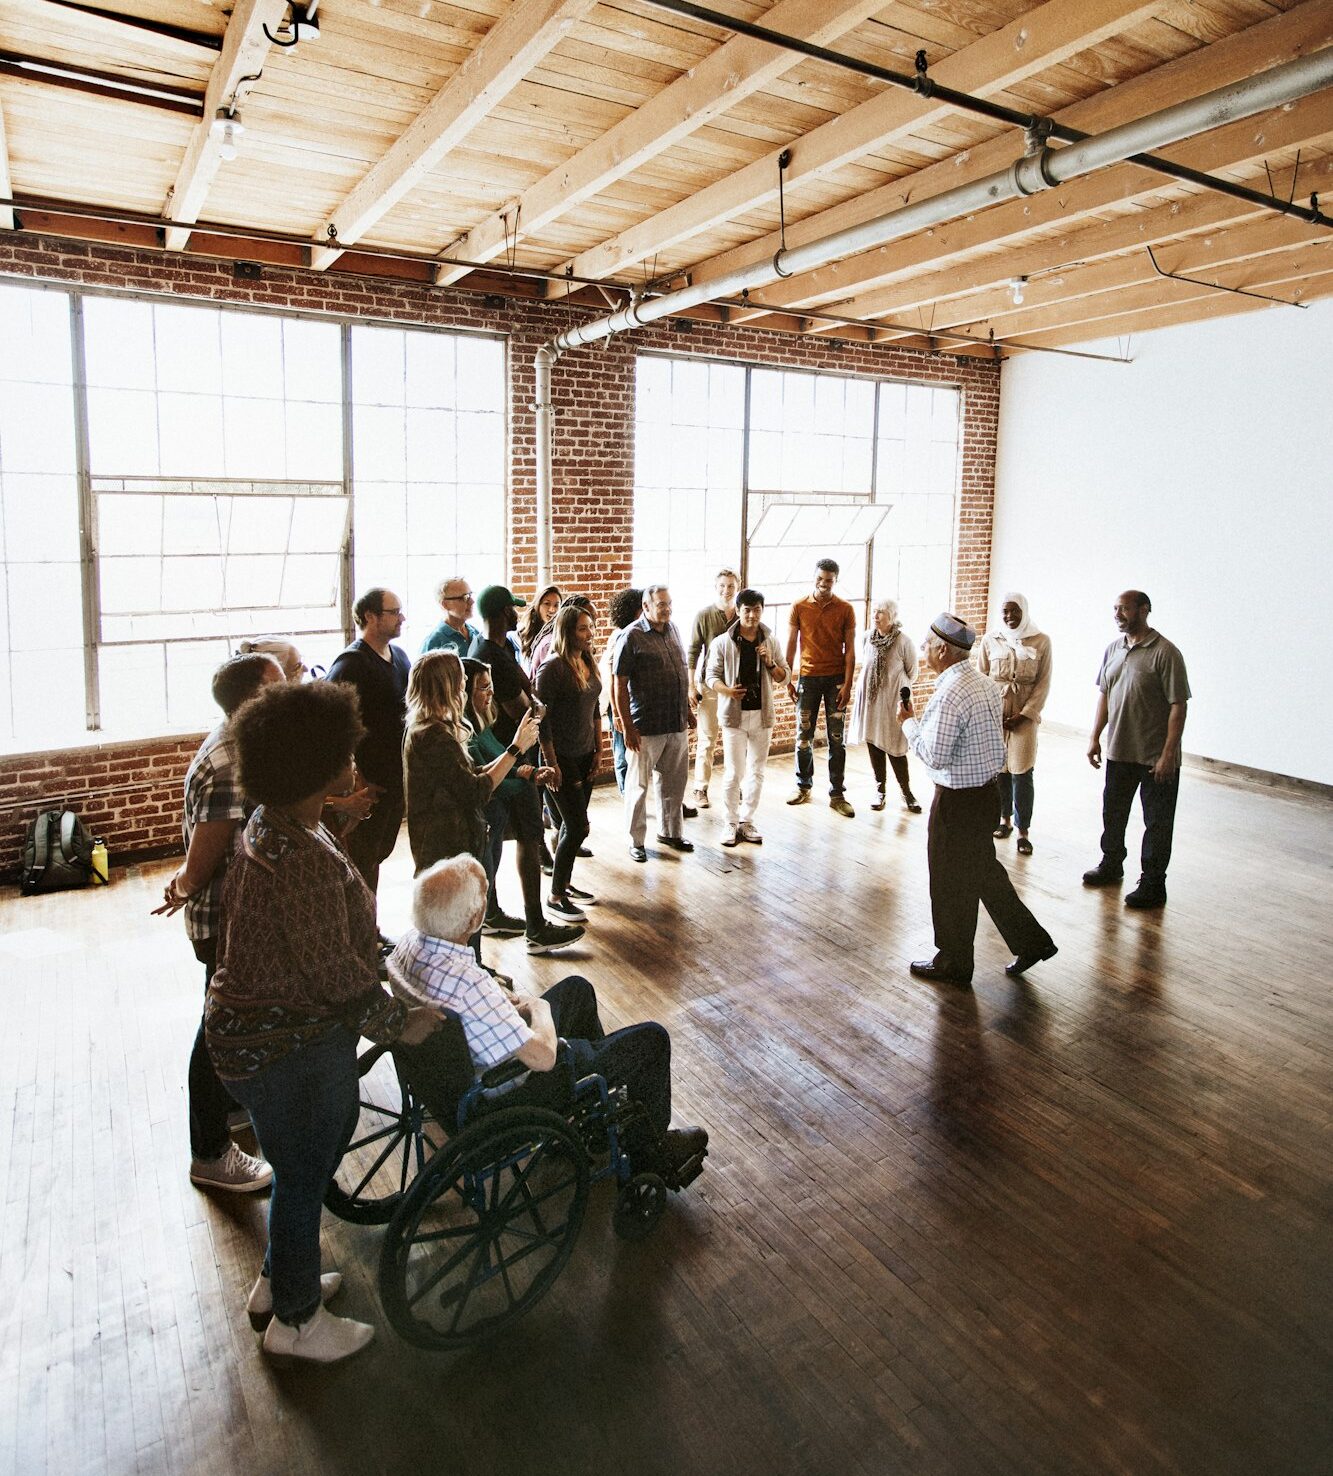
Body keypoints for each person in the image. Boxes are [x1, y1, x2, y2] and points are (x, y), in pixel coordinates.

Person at [203, 680, 441, 1365]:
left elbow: (311, 886)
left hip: (250, 1037)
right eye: (343, 749)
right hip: (287, 1046)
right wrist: (400, 1024)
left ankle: (281, 1281)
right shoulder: (300, 857)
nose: (355, 755)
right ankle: (297, 1323)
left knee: (297, 1167)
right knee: (305, 1173)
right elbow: (332, 975)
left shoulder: (278, 824)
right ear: (312, 764)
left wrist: (341, 821)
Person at [387, 856, 708, 1184]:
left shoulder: (409, 946)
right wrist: (537, 1009)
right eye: (484, 897)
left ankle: (595, 1107)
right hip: (510, 1089)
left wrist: (501, 1003)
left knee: (577, 990)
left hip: (456, 1073)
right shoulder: (470, 985)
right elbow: (543, 1058)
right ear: (473, 919)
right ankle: (648, 1151)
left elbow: (471, 1004)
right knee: (652, 1038)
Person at [155, 652, 283, 1193]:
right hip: (225, 919)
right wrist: (179, 887)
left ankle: (230, 1109)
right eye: (281, 682)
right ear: (254, 695)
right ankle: (209, 1153)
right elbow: (205, 859)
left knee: (227, 1021)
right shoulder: (230, 758)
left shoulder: (239, 742)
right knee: (217, 1032)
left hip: (238, 915)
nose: (291, 687)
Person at [900, 613, 1057, 987]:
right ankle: (1032, 941)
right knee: (985, 874)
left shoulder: (950, 692)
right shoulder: (984, 684)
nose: (923, 650)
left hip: (956, 802)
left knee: (948, 881)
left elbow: (935, 755)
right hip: (987, 794)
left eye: (926, 644)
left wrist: (907, 722)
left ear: (942, 650)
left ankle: (954, 961)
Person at [403, 650, 583, 956]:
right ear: (446, 687)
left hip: (454, 837)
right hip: (445, 842)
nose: (463, 691)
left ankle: (477, 967)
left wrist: (514, 756)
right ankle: (470, 973)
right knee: (455, 921)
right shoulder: (432, 735)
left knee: (467, 916)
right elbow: (474, 790)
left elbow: (471, 773)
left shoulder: (435, 728)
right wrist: (516, 748)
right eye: (460, 684)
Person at [1083, 590, 1190, 909]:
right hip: (1119, 751)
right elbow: (1105, 694)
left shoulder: (1166, 652)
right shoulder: (1113, 649)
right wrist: (1094, 737)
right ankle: (1111, 864)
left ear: (1144, 610)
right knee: (1113, 814)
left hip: (1155, 757)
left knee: (1157, 822)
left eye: (1124, 609)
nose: (1117, 614)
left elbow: (1178, 705)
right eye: (1115, 608)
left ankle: (1154, 883)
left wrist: (1169, 754)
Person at [326, 588, 411, 905]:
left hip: (394, 780)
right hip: (368, 785)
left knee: (376, 857)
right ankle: (361, 935)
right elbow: (332, 726)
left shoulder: (400, 657)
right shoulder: (352, 665)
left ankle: (368, 929)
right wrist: (355, 776)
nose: (402, 617)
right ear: (370, 617)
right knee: (360, 862)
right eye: (394, 611)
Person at [462, 659, 549, 939]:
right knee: (475, 901)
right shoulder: (466, 734)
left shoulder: (482, 723)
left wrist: (530, 772)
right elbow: (489, 782)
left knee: (485, 890)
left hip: (494, 825)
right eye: (483, 687)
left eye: (491, 687)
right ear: (464, 692)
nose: (490, 693)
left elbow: (502, 763)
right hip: (484, 823)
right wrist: (522, 773)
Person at [615, 585, 695, 863]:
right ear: (646, 607)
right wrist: (627, 726)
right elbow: (619, 684)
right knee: (638, 787)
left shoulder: (673, 629)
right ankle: (635, 841)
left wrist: (686, 710)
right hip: (645, 726)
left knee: (674, 783)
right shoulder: (631, 636)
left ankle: (671, 832)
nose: (667, 609)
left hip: (675, 721)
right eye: (661, 605)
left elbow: (680, 672)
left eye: (669, 604)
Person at [704, 588, 788, 847]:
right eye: (747, 610)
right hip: (734, 716)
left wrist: (770, 663)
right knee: (733, 772)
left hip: (762, 715)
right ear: (738, 611)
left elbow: (784, 676)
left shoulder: (770, 641)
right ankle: (729, 822)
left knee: (757, 771)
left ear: (762, 611)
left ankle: (746, 820)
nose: (752, 615)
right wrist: (728, 691)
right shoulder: (722, 642)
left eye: (756, 610)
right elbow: (710, 677)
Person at [534, 604, 602, 920]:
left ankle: (566, 882)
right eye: (583, 629)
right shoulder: (553, 668)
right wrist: (552, 764)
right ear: (567, 632)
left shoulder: (586, 659)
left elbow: (595, 707)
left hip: (585, 752)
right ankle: (556, 895)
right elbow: (541, 721)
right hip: (559, 757)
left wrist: (599, 748)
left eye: (590, 627)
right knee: (577, 827)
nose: (589, 634)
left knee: (570, 827)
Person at [977, 592, 1052, 856]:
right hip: (996, 713)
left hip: (1024, 717)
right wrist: (990, 711)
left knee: (1022, 772)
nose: (1009, 617)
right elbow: (982, 677)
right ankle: (1003, 820)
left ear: (1024, 611)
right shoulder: (990, 639)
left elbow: (1043, 683)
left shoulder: (1041, 641)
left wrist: (1025, 713)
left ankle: (1023, 831)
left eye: (1015, 611)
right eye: (1005, 611)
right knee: (1000, 771)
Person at [786, 558, 857, 818]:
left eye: (829, 580)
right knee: (803, 736)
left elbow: (850, 651)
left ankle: (837, 794)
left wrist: (848, 684)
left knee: (836, 739)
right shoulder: (799, 606)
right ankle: (803, 786)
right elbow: (791, 645)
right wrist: (788, 680)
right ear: (813, 577)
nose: (823, 584)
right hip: (808, 679)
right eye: (820, 579)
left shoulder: (846, 609)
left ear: (835, 581)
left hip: (835, 679)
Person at [848, 598, 921, 815]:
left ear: (892, 617)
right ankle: (880, 789)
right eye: (874, 612)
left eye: (881, 612)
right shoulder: (867, 638)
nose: (876, 616)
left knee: (896, 747)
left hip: (893, 700)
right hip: (872, 700)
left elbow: (912, 672)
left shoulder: (903, 642)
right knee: (874, 742)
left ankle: (906, 792)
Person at [687, 569, 739, 811]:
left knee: (735, 738)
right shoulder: (704, 615)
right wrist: (690, 685)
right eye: (722, 586)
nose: (726, 590)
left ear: (737, 587)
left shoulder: (743, 615)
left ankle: (734, 785)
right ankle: (700, 787)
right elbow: (693, 652)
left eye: (730, 586)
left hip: (735, 687)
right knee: (707, 739)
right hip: (709, 685)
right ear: (715, 586)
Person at [600, 587, 642, 794]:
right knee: (622, 751)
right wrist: (616, 713)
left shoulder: (639, 634)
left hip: (635, 702)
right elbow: (611, 678)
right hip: (619, 702)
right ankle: (628, 796)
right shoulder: (620, 637)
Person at [421, 575, 475, 657]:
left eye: (470, 595)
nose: (472, 601)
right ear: (445, 604)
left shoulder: (475, 633)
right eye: (464, 598)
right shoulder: (434, 642)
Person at [517, 584, 561, 675]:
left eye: (556, 605)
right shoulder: (521, 633)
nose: (552, 609)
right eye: (547, 604)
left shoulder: (559, 635)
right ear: (538, 605)